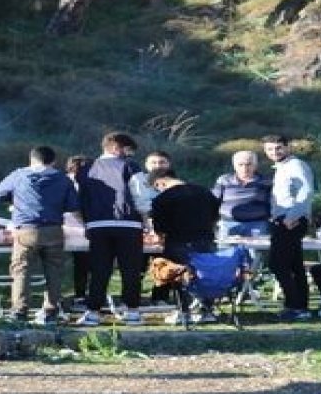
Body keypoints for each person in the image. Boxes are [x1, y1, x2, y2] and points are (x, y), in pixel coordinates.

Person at [0, 145, 80, 324]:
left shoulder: (19, 175)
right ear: (53, 161)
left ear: (31, 159)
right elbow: (73, 205)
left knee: (21, 270)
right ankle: (50, 311)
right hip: (54, 230)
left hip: (26, 230)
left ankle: (20, 311)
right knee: (54, 271)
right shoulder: (62, 178)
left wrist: (14, 199)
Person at [76, 132, 145, 327]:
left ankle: (93, 312)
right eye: (128, 150)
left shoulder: (85, 168)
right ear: (116, 147)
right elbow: (140, 195)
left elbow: (80, 199)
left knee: (99, 270)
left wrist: (86, 223)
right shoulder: (131, 166)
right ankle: (132, 311)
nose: (129, 154)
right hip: (128, 224)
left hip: (98, 225)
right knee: (131, 270)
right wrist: (147, 219)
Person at [149, 171, 221, 324]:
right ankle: (206, 310)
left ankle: (183, 311)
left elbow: (160, 228)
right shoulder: (205, 192)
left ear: (159, 183)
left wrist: (159, 238)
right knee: (204, 274)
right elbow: (215, 216)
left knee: (179, 276)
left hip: (178, 241)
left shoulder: (162, 198)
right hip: (205, 240)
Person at [263, 135, 315, 321]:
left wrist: (292, 217)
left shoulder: (296, 165)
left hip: (290, 220)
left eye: (278, 148)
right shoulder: (282, 168)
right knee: (294, 265)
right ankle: (301, 307)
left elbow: (306, 191)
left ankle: (294, 305)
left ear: (288, 148)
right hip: (283, 219)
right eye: (270, 149)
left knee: (278, 264)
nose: (274, 152)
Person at [130, 150, 173, 306]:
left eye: (162, 162)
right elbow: (139, 203)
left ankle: (160, 297)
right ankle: (132, 298)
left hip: (168, 229)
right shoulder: (137, 179)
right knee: (137, 265)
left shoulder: (174, 181)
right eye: (154, 162)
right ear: (146, 165)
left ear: (169, 164)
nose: (158, 166)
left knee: (164, 264)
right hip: (140, 226)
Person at [213, 150, 272, 237]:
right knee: (225, 250)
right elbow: (214, 201)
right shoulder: (224, 180)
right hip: (228, 223)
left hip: (257, 224)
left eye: (248, 164)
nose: (245, 168)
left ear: (255, 165)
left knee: (256, 250)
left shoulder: (267, 181)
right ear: (234, 166)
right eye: (240, 165)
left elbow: (274, 204)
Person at [64, 155, 91, 311]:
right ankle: (80, 295)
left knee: (84, 262)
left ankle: (83, 295)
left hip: (83, 228)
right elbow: (73, 209)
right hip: (71, 228)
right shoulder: (66, 181)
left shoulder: (93, 181)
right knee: (81, 262)